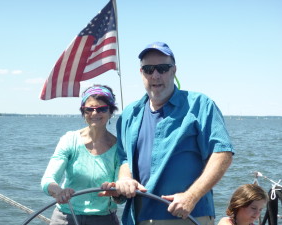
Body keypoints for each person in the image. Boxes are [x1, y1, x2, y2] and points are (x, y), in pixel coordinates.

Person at [102, 41, 234, 225]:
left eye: (162, 68)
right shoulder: (128, 115)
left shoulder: (200, 105)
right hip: (137, 218)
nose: (155, 75)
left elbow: (223, 153)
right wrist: (124, 179)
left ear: (174, 71)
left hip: (187, 216)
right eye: (148, 69)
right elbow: (125, 159)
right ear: (141, 73)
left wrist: (191, 196)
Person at [41, 85, 120, 225]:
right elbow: (48, 179)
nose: (95, 114)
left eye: (102, 109)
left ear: (111, 112)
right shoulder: (69, 140)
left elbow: (121, 198)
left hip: (104, 219)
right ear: (83, 112)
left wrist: (116, 190)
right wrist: (58, 191)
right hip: (65, 216)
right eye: (89, 109)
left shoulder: (119, 147)